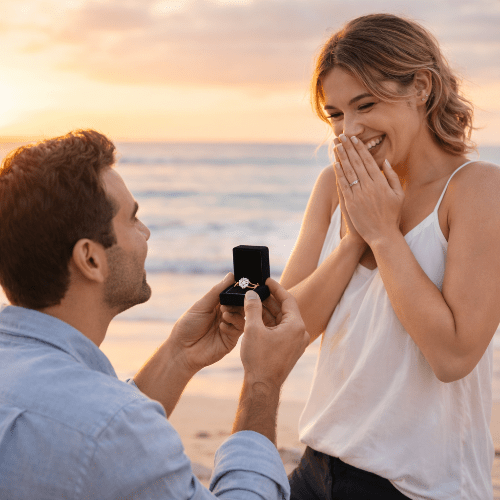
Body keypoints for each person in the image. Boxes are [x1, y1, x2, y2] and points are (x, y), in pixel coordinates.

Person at [0, 129, 309, 499]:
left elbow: (90, 437)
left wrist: (179, 356)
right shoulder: (113, 427)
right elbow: (106, 433)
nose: (145, 233)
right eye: (132, 220)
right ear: (90, 258)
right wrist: (263, 383)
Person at [281, 13, 500, 500]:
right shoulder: (334, 187)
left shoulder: (478, 190)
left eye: (366, 105)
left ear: (420, 87)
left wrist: (383, 235)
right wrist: (353, 240)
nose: (350, 130)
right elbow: (287, 331)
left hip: (416, 484)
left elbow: (454, 355)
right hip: (318, 468)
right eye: (335, 114)